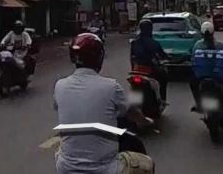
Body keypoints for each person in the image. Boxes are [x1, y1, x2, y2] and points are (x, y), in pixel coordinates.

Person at [53, 33, 154, 174]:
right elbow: (132, 112)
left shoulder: (60, 85)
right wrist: (145, 121)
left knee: (61, 149)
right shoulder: (111, 86)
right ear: (100, 57)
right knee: (147, 164)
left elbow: (58, 107)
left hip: (65, 168)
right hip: (106, 168)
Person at [189, 21, 223, 107]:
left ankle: (198, 103)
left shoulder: (197, 45)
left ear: (201, 33)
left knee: (192, 82)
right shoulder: (220, 45)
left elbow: (193, 58)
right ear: (213, 32)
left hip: (201, 77)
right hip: (219, 77)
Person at [130, 19, 168, 103]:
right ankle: (163, 99)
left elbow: (132, 57)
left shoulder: (134, 42)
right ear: (150, 29)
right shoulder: (154, 43)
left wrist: (133, 68)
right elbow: (163, 55)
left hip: (137, 69)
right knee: (164, 77)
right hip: (150, 70)